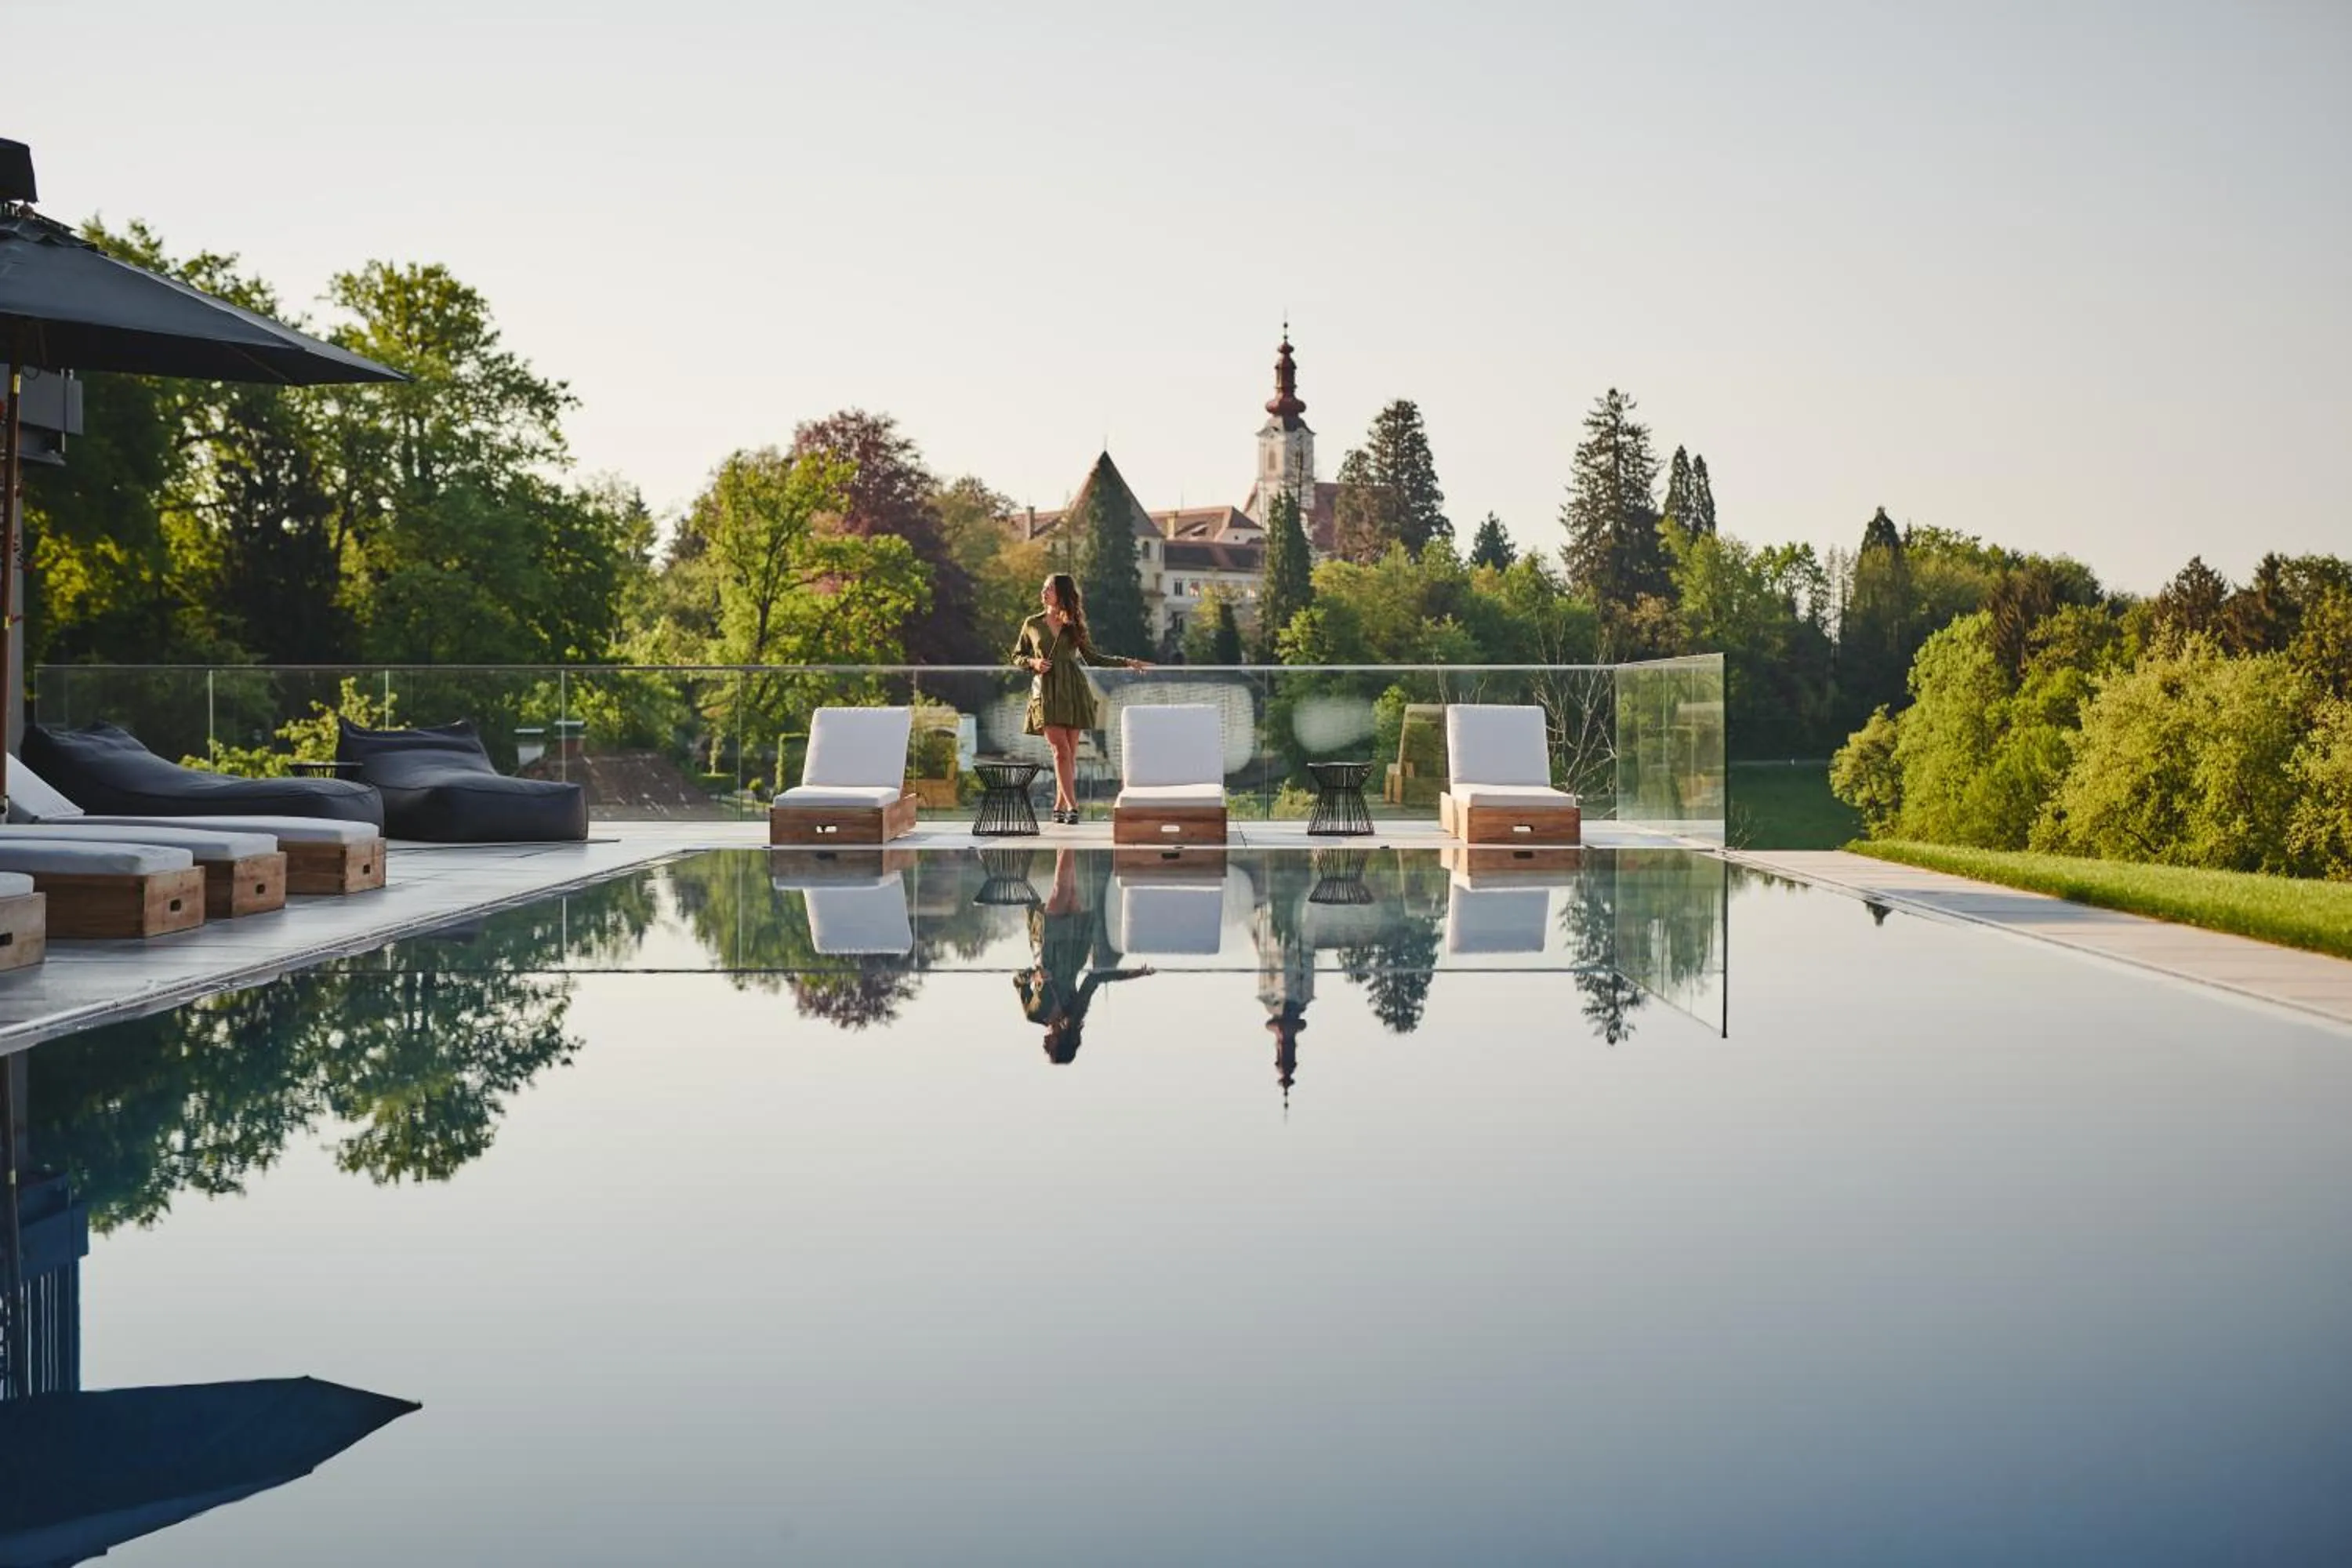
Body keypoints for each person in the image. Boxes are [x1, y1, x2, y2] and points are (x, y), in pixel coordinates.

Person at [1011, 573, 1151, 824]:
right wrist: (1033, 662)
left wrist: (1127, 662)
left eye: (1050, 589)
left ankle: (1058, 807)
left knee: (1070, 753)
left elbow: (1094, 658)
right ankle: (1073, 807)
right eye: (1043, 588)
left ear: (1062, 593)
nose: (1044, 592)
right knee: (1060, 751)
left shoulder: (1072, 623)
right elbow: (1017, 656)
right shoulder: (1032, 623)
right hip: (1046, 691)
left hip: (1074, 690)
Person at [1014, 848, 1152, 1064]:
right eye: (1050, 1049)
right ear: (1062, 1043)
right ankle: (1064, 826)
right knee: (1070, 889)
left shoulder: (1034, 1014)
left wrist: (1034, 977)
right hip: (1075, 948)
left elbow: (1017, 981)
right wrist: (1133, 974)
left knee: (1061, 889)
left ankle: (1067, 830)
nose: (1044, 1046)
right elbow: (1093, 980)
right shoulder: (1074, 1012)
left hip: (1050, 947)